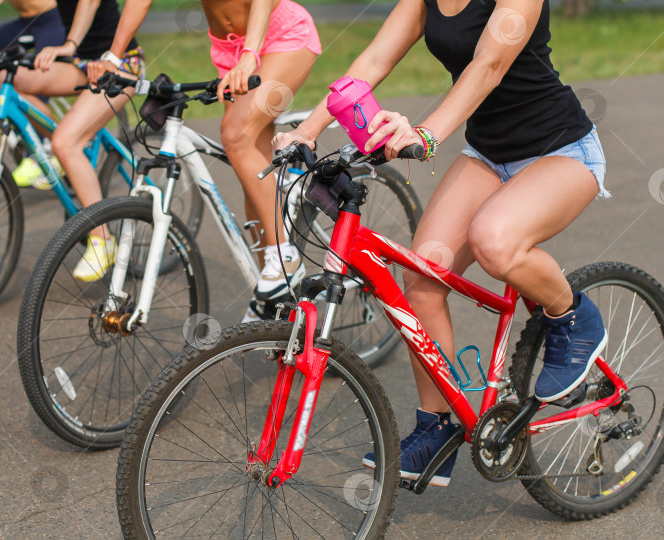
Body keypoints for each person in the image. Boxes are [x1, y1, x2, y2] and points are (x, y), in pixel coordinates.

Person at [274, 0, 609, 487]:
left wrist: (425, 134)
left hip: (560, 150)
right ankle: (437, 428)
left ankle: (572, 316)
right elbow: (371, 63)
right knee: (423, 275)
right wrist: (305, 131)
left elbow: (489, 65)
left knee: (495, 242)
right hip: (490, 154)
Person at [89, 0, 322, 319]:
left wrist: (250, 55)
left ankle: (283, 255)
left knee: (235, 135)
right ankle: (276, 299)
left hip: (280, 36)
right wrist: (114, 58)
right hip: (229, 50)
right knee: (251, 172)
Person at [0, 0, 145, 282]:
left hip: (120, 64)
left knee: (65, 142)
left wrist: (75, 45)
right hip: (82, 64)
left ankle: (102, 240)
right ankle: (68, 147)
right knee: (5, 80)